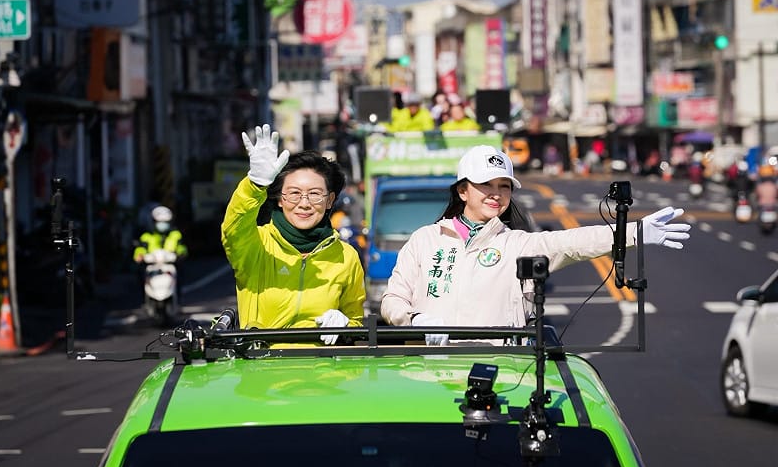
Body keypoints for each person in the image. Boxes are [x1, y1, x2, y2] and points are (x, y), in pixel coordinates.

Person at [380, 145, 691, 345]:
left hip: (501, 373)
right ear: (463, 191)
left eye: (504, 186)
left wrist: (634, 232)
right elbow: (392, 300)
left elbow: (572, 243)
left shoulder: (518, 244)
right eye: (486, 184)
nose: (496, 194)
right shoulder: (424, 239)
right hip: (428, 372)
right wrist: (415, 320)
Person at [221, 124, 365, 344]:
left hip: (323, 364)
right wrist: (255, 185)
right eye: (294, 193)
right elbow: (233, 227)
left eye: (315, 194)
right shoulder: (257, 244)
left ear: (329, 201)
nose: (304, 203)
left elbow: (357, 323)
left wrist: (345, 325)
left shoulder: (346, 257)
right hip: (262, 362)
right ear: (280, 199)